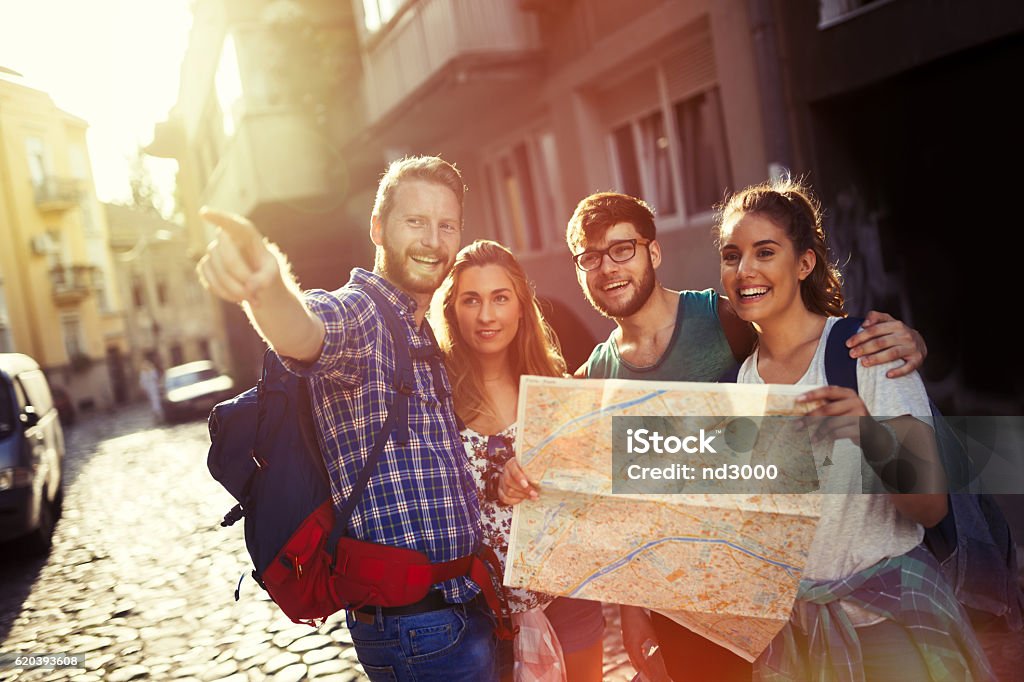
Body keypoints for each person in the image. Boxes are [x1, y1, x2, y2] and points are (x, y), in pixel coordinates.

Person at [498, 191, 931, 681]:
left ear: (653, 252)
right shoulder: (597, 375)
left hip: (800, 597)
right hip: (701, 602)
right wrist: (634, 608)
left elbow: (803, 337)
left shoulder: (727, 321)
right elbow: (608, 496)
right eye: (590, 257)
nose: (608, 267)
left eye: (623, 249)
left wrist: (907, 343)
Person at [196, 156, 497, 681]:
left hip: (455, 610)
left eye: (445, 225)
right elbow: (306, 331)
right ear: (378, 228)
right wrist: (265, 289)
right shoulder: (362, 315)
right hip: (416, 627)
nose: (432, 239)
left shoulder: (422, 331)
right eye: (415, 222)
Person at [717, 177, 992, 681]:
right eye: (731, 255)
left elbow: (929, 505)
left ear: (804, 264)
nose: (745, 270)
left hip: (891, 629)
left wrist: (869, 433)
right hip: (799, 640)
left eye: (765, 252)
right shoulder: (741, 382)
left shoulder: (866, 350)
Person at [432, 239, 570, 681]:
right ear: (452, 309)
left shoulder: (556, 389)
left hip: (568, 606)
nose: (487, 315)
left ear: (521, 307)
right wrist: (492, 486)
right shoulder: (432, 400)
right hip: (475, 626)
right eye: (471, 299)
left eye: (500, 298)